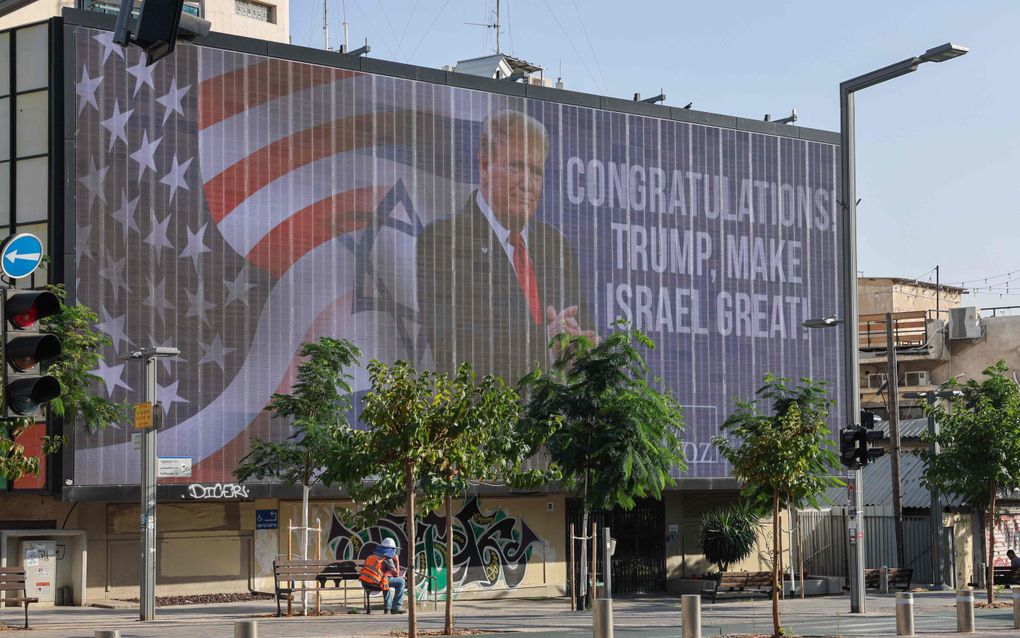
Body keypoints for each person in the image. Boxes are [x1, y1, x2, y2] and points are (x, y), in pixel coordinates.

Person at [416, 110, 596, 383]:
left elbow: (585, 329)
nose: (527, 184)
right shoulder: (443, 240)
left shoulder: (556, 247)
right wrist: (546, 347)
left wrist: (583, 346)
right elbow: (455, 349)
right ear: (485, 166)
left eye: (536, 171)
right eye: (516, 167)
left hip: (558, 419)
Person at [358, 537, 405, 614]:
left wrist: (387, 574)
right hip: (375, 581)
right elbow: (396, 574)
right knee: (401, 581)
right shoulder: (387, 558)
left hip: (365, 581)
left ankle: (388, 607)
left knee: (385, 580)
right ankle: (396, 607)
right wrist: (397, 561)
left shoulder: (373, 556)